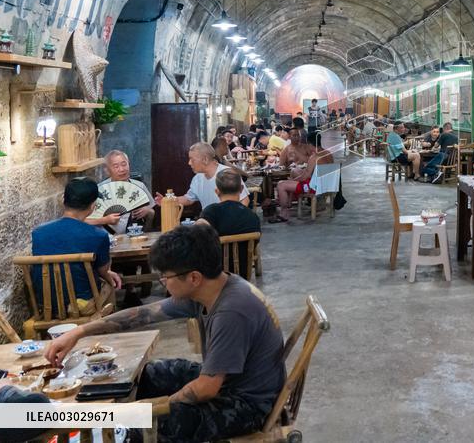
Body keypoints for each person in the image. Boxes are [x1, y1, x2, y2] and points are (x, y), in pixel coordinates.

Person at [46, 224, 285, 442]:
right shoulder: (210, 289)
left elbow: (206, 389)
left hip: (247, 405)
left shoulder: (232, 312)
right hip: (228, 384)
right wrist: (80, 331)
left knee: (144, 426)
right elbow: (143, 315)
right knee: (148, 374)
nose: (163, 282)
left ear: (193, 278)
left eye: (166, 276)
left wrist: (154, 408)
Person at [32, 178, 122, 308]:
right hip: (81, 304)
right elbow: (103, 271)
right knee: (109, 282)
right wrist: (109, 276)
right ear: (92, 206)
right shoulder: (98, 235)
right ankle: (108, 323)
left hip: (47, 304)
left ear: (64, 201)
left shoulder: (38, 232)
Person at [198, 170, 261, 279]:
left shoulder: (212, 211)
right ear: (241, 189)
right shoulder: (252, 217)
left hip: (215, 276)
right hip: (243, 276)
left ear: (217, 191)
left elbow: (196, 232)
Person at [157, 143, 249, 211]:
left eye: (192, 159)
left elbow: (245, 200)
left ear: (205, 159)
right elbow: (188, 199)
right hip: (208, 226)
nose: (189, 163)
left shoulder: (228, 173)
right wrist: (167, 201)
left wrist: (232, 219)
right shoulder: (197, 178)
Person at [275, 129, 329, 223]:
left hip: (313, 187)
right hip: (326, 185)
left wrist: (292, 180)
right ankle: (288, 203)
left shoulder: (314, 157)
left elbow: (305, 177)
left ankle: (284, 213)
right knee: (292, 177)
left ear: (310, 144)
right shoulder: (328, 153)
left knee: (281, 185)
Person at [99, 149, 156, 232]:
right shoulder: (101, 189)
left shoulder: (139, 186)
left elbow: (151, 208)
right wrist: (105, 219)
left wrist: (147, 210)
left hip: (134, 232)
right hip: (108, 234)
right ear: (107, 171)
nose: (122, 169)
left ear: (129, 164)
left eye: (124, 164)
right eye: (116, 166)